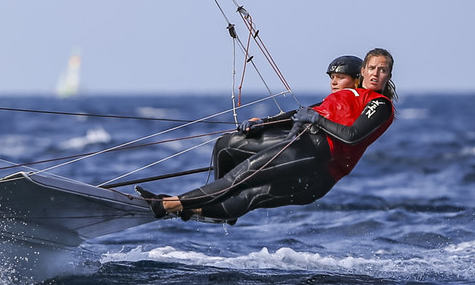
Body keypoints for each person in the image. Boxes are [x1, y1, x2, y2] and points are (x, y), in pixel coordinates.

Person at [140, 50, 395, 223]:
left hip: (317, 158)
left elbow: (351, 136)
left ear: (388, 75)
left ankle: (167, 205)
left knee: (245, 179)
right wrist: (263, 123)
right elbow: (301, 113)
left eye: (382, 70)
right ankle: (199, 206)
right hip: (305, 147)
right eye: (372, 68)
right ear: (363, 71)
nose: (375, 74)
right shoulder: (348, 96)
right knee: (233, 158)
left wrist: (316, 119)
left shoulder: (379, 104)